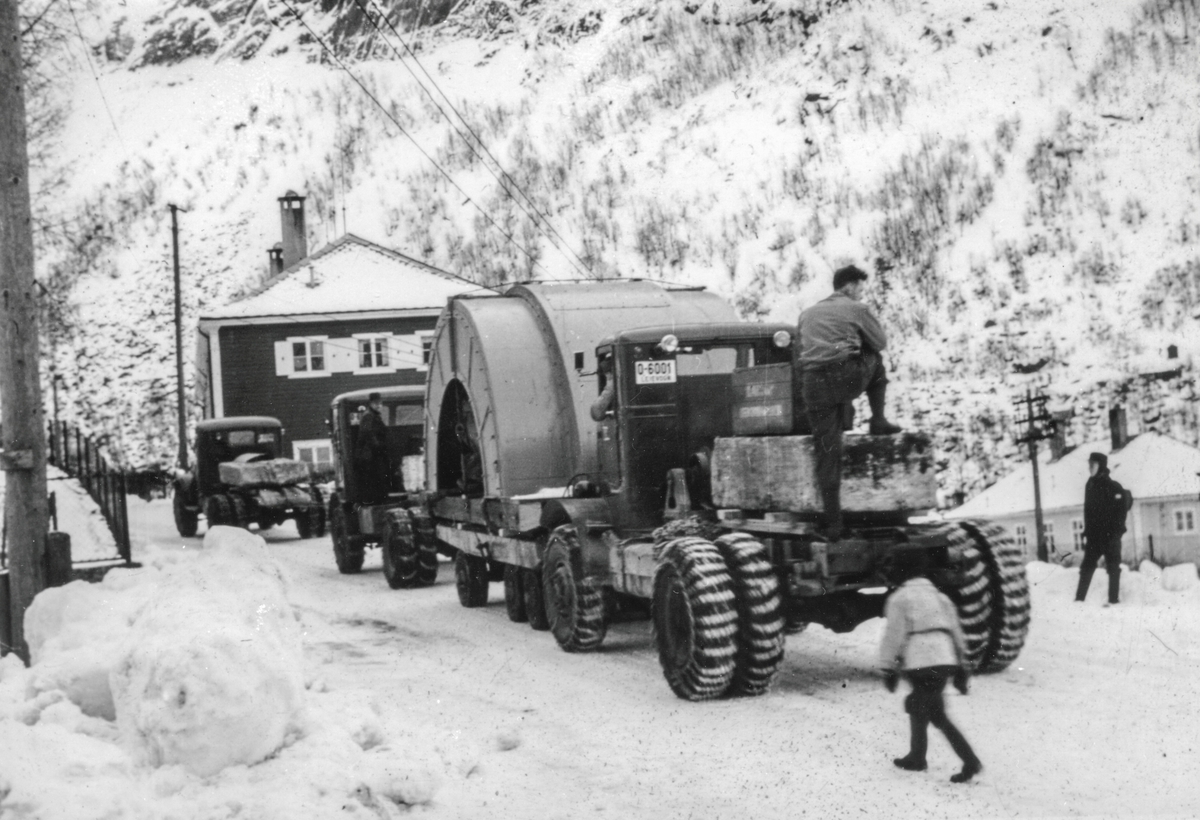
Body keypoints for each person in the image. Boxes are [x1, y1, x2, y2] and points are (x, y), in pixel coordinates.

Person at [797, 265, 902, 540]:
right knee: (875, 361)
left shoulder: (807, 314)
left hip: (812, 383)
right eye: (859, 287)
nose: (860, 292)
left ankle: (834, 525)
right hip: (845, 376)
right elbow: (880, 343)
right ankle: (878, 420)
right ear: (849, 286)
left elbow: (802, 350)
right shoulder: (858, 309)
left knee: (827, 452)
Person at [880, 552, 982, 784]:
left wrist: (887, 667)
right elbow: (957, 632)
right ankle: (916, 756)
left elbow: (893, 636)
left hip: (920, 660)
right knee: (920, 704)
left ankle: (970, 761)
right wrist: (963, 666)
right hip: (944, 658)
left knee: (935, 713)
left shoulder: (900, 598)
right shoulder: (940, 597)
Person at [1075, 452, 1129, 606]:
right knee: (1086, 568)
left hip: (1110, 537)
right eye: (1089, 464)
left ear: (1101, 466)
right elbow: (1088, 510)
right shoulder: (1090, 484)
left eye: (1092, 464)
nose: (1089, 467)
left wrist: (1117, 533)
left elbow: (1122, 511)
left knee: (1113, 568)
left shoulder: (1113, 487)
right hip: (1094, 537)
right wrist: (1087, 531)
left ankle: (1113, 602)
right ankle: (1079, 602)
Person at [355, 392, 391, 503]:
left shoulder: (374, 416)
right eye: (376, 403)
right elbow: (367, 433)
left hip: (373, 454)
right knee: (377, 480)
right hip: (371, 456)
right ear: (371, 403)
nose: (379, 406)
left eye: (380, 403)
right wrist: (379, 446)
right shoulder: (368, 416)